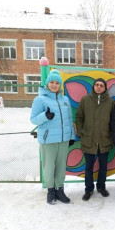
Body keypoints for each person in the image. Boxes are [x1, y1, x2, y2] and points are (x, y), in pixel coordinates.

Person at [30, 69, 75, 205]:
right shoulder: (40, 99)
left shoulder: (65, 99)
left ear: (60, 85)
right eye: (52, 82)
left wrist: (71, 135)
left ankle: (59, 189)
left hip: (63, 139)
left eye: (57, 83)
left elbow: (69, 119)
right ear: (47, 83)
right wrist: (45, 116)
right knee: (49, 166)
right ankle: (51, 191)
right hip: (48, 140)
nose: (54, 85)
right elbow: (33, 119)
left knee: (61, 166)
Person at [76, 78, 114, 200]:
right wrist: (81, 131)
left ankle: (101, 187)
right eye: (96, 85)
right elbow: (79, 116)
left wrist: (111, 135)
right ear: (93, 87)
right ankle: (88, 189)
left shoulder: (110, 102)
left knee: (103, 167)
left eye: (101, 85)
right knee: (89, 167)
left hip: (104, 140)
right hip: (89, 140)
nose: (98, 87)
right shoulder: (85, 100)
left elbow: (113, 121)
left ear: (105, 88)